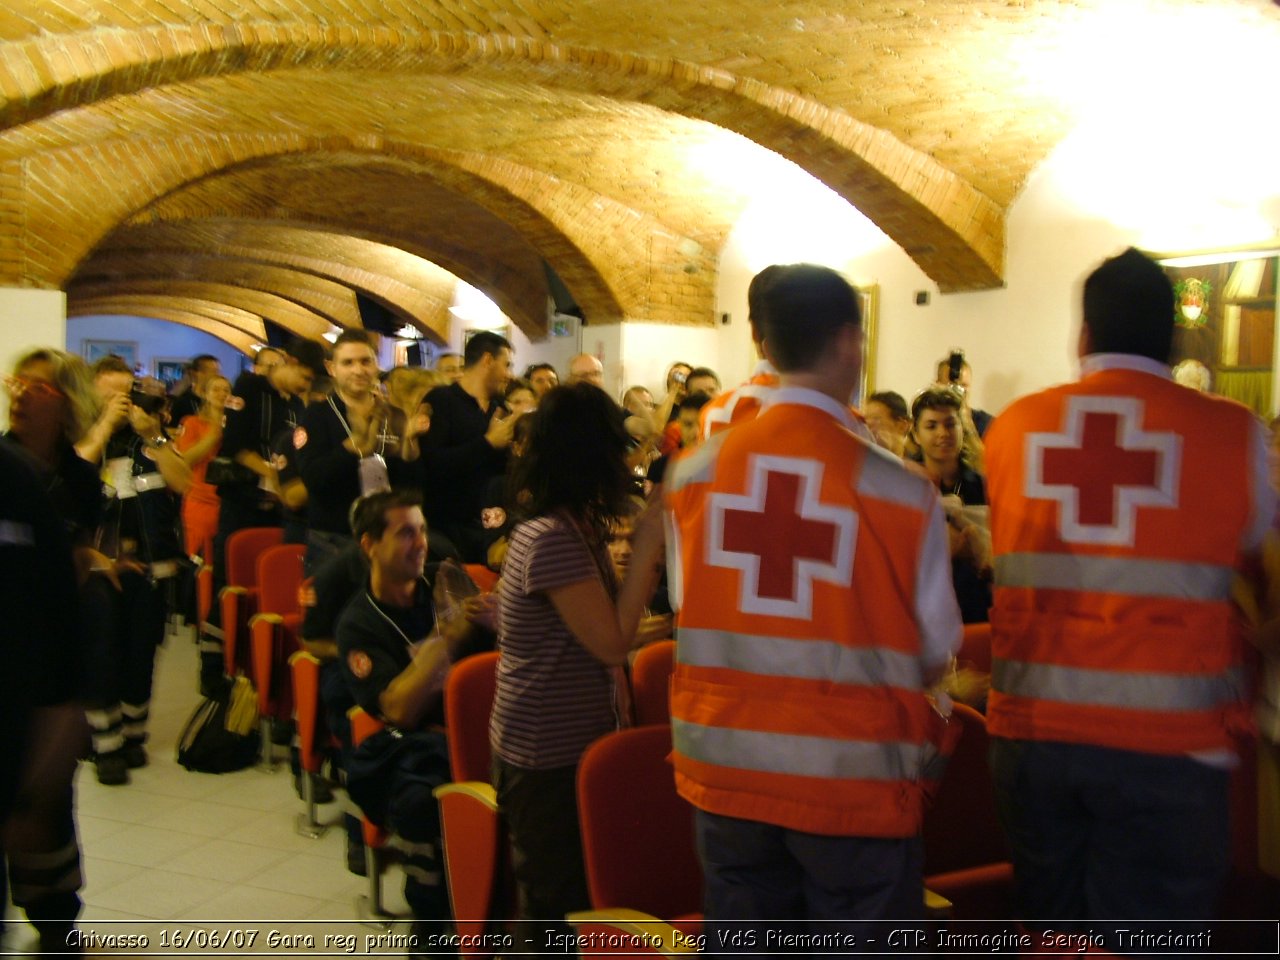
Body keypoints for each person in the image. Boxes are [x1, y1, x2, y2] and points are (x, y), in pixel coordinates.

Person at [664, 263, 962, 938]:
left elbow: (693, 607)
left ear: (763, 346)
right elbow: (937, 647)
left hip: (728, 771)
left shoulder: (693, 473)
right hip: (848, 784)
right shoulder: (900, 489)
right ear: (850, 342)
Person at [983, 247, 1275, 929]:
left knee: (1053, 933)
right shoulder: (1232, 433)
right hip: (1169, 745)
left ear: (1083, 337)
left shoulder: (1015, 428)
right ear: (1174, 341)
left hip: (1034, 737)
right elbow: (1262, 547)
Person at [489, 383, 666, 939]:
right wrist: (649, 549)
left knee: (577, 900)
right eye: (617, 450)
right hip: (545, 752)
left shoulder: (572, 528)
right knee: (555, 912)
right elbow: (613, 643)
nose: (626, 464)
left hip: (567, 743)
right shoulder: (550, 538)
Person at [338, 489, 492, 939]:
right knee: (419, 792)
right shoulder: (358, 622)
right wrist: (450, 635)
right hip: (418, 746)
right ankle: (433, 928)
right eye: (406, 533)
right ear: (370, 545)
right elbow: (399, 709)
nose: (421, 542)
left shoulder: (444, 585)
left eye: (422, 530)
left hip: (479, 730)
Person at [1, 352, 95, 949]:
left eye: (35, 385)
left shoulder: (26, 479)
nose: (18, 394)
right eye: (15, 382)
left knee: (43, 813)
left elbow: (62, 596)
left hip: (29, 687)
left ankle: (56, 923)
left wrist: (64, 707)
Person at [79, 355, 192, 785]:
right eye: (110, 394)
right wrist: (104, 425)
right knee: (100, 653)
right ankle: (104, 744)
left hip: (149, 567)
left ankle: (132, 737)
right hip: (96, 569)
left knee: (141, 652)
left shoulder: (150, 440)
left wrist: (156, 439)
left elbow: (184, 484)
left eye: (127, 394)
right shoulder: (83, 434)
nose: (122, 403)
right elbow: (73, 476)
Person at [297, 330, 426, 576]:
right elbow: (314, 479)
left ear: (376, 364)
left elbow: (414, 487)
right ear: (331, 367)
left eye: (365, 361)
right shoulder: (316, 415)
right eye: (348, 363)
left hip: (388, 538)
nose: (358, 370)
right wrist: (354, 448)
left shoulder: (393, 415)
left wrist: (410, 449)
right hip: (333, 539)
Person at [419, 331, 514, 563]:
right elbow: (434, 464)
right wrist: (488, 442)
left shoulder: (500, 409)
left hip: (491, 529)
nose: (509, 375)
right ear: (487, 360)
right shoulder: (442, 401)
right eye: (506, 365)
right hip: (449, 529)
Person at [911, 386, 992, 623]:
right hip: (919, 606)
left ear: (962, 429)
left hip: (973, 607)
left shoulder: (983, 488)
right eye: (931, 425)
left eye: (950, 424)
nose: (942, 433)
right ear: (916, 434)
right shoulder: (904, 483)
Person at [174, 374, 231, 558]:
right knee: (199, 557)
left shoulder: (236, 426)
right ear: (205, 394)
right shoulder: (192, 423)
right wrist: (214, 435)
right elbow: (186, 459)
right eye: (216, 389)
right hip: (200, 501)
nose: (222, 394)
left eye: (226, 390)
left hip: (228, 502)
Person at [935, 352, 992, 437]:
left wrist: (967, 423)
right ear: (938, 385)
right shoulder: (927, 422)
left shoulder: (986, 424)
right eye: (951, 385)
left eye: (964, 385)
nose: (958, 391)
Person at [168, 354, 221, 425]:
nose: (217, 375)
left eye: (218, 371)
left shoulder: (219, 401)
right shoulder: (182, 402)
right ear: (196, 374)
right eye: (212, 371)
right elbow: (172, 429)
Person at [862, 390, 913, 459]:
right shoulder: (861, 464)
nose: (868, 428)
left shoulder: (916, 468)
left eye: (876, 419)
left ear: (902, 426)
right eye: (865, 421)